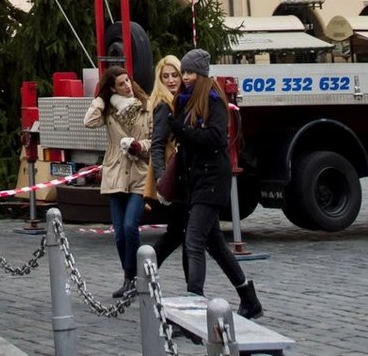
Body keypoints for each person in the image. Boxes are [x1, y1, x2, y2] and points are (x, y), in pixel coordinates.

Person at [168, 49, 263, 319]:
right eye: (183, 72)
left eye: (189, 72)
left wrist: (182, 130)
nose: (185, 77)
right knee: (216, 245)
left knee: (193, 239)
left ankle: (194, 304)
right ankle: (249, 299)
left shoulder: (213, 99)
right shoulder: (184, 101)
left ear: (201, 74)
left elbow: (216, 137)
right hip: (195, 180)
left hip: (212, 179)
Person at [84, 64, 152, 298]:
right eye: (121, 83)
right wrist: (102, 99)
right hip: (115, 173)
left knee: (130, 226)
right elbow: (89, 121)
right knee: (119, 233)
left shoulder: (145, 105)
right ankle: (128, 278)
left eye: (128, 81)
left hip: (138, 172)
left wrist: (138, 146)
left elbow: (154, 141)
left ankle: (134, 276)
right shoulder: (110, 110)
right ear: (112, 87)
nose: (127, 86)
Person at [145, 54, 188, 277]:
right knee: (181, 234)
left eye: (175, 75)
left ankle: (142, 274)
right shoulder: (164, 105)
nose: (171, 80)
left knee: (179, 234)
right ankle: (142, 273)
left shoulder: (177, 100)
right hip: (173, 177)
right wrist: (162, 180)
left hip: (179, 175)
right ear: (159, 80)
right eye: (166, 76)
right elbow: (158, 145)